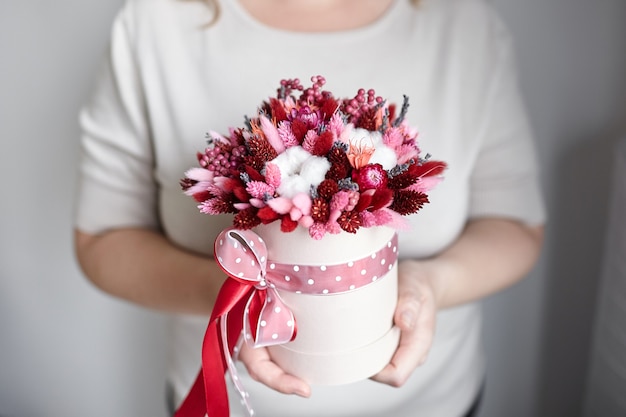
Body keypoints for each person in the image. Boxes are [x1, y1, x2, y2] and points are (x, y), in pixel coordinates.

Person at [73, 0, 546, 416]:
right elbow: (102, 240)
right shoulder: (155, 24)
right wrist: (234, 304)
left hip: (433, 404)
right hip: (232, 405)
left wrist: (431, 286)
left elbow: (516, 225)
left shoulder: (464, 26)